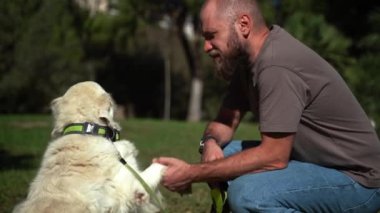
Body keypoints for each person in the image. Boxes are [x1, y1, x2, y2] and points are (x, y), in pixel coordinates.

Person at [154, 0, 380, 212]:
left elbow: (273, 156)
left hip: (360, 182)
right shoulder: (248, 62)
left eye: (212, 35)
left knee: (250, 195)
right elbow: (224, 122)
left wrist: (192, 173)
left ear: (243, 24)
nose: (206, 46)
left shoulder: (276, 65)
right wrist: (210, 143)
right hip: (314, 162)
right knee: (224, 152)